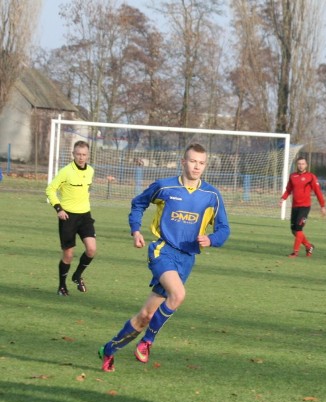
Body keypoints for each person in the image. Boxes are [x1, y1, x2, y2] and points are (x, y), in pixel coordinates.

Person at [98, 144, 230, 372]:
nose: (197, 166)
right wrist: (135, 230)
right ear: (183, 162)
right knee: (178, 295)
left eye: (201, 162)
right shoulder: (165, 186)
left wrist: (212, 239)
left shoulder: (211, 195)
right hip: (162, 250)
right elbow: (138, 203)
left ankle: (109, 349)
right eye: (192, 161)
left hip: (187, 259)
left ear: (205, 165)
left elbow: (224, 229)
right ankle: (146, 343)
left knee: (146, 315)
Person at [46, 140, 97, 296]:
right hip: (68, 217)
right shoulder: (66, 171)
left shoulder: (90, 171)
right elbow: (50, 189)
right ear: (73, 154)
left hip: (85, 216)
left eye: (84, 154)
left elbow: (86, 189)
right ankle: (62, 286)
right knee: (68, 255)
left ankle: (77, 275)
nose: (81, 157)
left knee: (91, 249)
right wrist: (58, 209)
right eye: (78, 154)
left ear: (88, 155)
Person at [281, 157, 326, 257]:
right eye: (299, 164)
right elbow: (288, 189)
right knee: (293, 230)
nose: (301, 165)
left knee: (298, 228)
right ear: (297, 165)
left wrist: (322, 205)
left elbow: (318, 191)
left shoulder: (311, 177)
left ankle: (295, 252)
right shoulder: (293, 176)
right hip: (295, 207)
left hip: (304, 207)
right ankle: (309, 246)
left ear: (306, 165)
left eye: (303, 164)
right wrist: (283, 198)